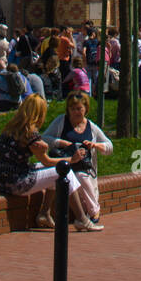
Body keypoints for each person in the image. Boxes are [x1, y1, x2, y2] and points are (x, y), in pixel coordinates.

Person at [0, 95, 103, 231]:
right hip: (17, 182)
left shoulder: (12, 127)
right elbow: (47, 161)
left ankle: (44, 213)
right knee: (64, 171)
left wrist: (44, 146)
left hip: (3, 180)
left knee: (54, 172)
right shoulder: (30, 132)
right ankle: (82, 219)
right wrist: (72, 160)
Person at [43, 91, 113, 224]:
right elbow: (44, 139)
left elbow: (109, 146)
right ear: (68, 109)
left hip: (85, 168)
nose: (76, 112)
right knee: (74, 177)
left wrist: (95, 145)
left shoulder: (91, 127)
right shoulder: (61, 121)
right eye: (72, 109)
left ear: (86, 109)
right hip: (65, 166)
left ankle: (92, 212)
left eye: (79, 108)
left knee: (81, 176)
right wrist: (60, 142)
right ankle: (90, 213)